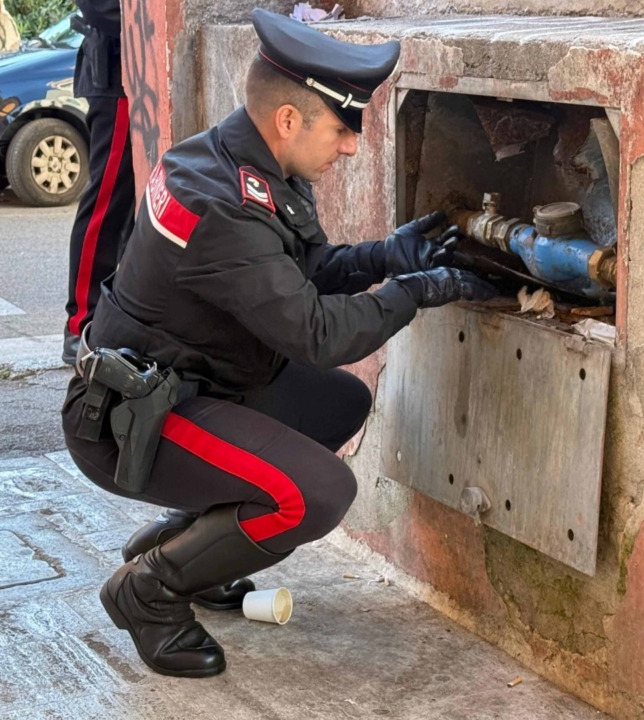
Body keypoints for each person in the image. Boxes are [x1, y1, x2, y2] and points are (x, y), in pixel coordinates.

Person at [61, 9, 497, 679]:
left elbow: (304, 271)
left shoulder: (252, 163)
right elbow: (315, 333)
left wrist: (389, 254)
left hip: (190, 383)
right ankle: (149, 589)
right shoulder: (221, 203)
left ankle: (192, 555)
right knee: (314, 494)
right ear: (290, 120)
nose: (351, 145)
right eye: (343, 128)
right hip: (130, 420)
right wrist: (415, 291)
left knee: (338, 404)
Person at [63, 0, 137, 364]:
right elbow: (101, 8)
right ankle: (81, 324)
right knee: (107, 204)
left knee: (144, 211)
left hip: (145, 73)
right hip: (118, 74)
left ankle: (124, 318)